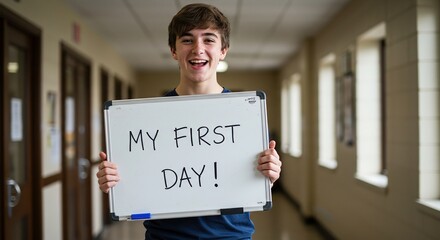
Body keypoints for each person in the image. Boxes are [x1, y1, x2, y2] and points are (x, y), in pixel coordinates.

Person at [96, 3, 282, 239]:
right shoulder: (147, 120)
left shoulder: (245, 115)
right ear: (173, 50)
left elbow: (248, 183)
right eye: (187, 40)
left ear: (223, 50)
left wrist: (269, 176)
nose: (198, 49)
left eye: (208, 39)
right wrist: (114, 184)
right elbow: (138, 181)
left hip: (230, 236)